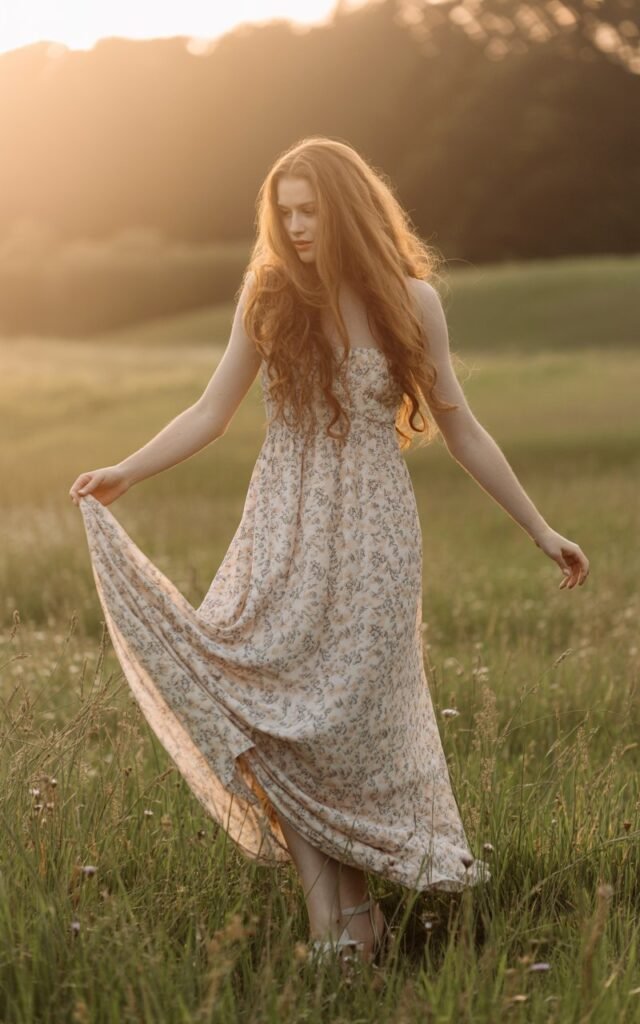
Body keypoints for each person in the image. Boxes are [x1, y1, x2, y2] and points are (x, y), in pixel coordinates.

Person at [69, 137, 589, 965]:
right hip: (281, 529)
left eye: (310, 211)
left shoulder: (412, 303)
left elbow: (462, 427)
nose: (297, 227)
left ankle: (352, 930)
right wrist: (127, 471)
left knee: (341, 726)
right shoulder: (267, 297)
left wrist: (540, 528)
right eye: (285, 213)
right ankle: (337, 929)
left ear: (347, 210)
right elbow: (210, 411)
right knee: (268, 713)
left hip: (376, 543)